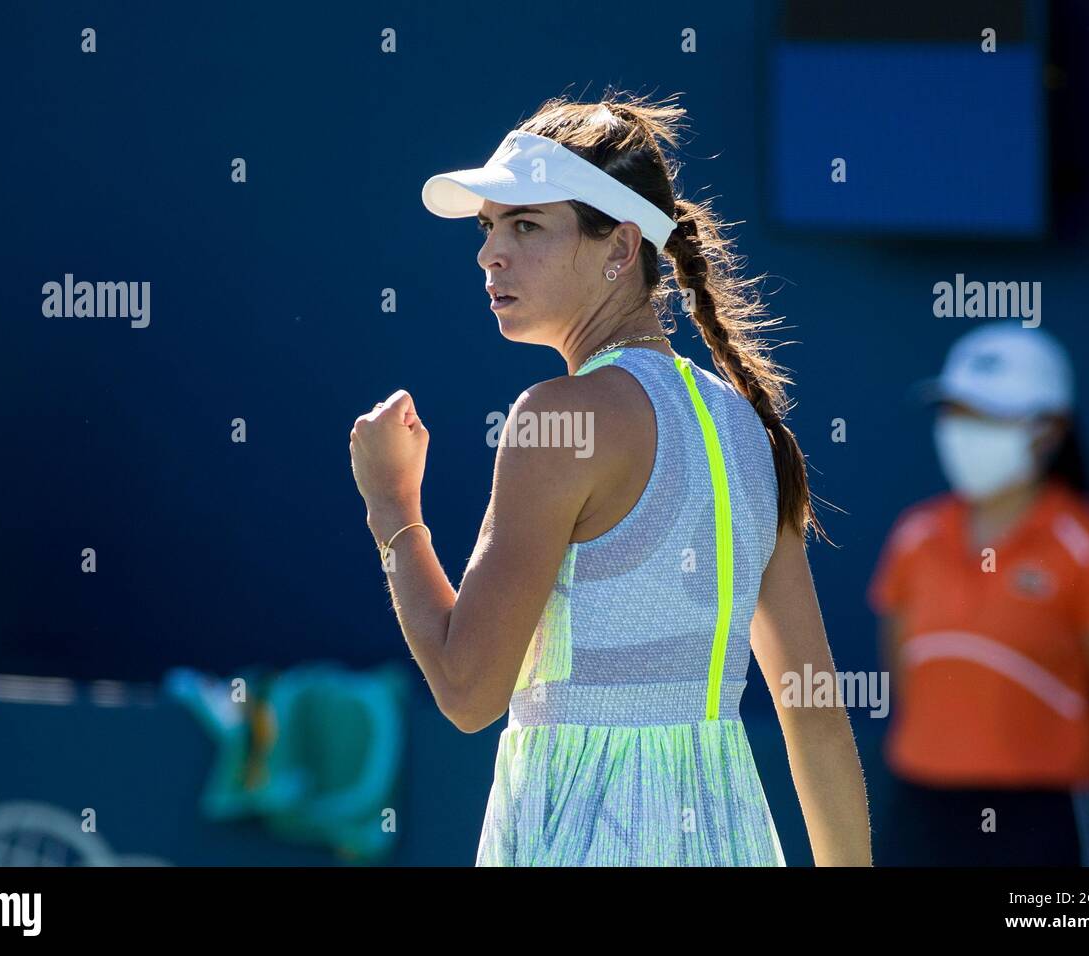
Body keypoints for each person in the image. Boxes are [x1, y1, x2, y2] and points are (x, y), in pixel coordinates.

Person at [349, 91, 871, 866]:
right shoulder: (747, 430)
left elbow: (467, 691)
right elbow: (816, 713)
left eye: (526, 225)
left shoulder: (557, 419)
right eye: (491, 225)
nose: (489, 252)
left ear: (620, 249)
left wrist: (391, 506)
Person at [868, 322, 1089, 866]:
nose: (962, 429)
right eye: (955, 410)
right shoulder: (914, 536)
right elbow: (905, 675)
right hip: (921, 808)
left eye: (986, 413)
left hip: (1043, 818)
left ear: (1048, 429)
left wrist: (1058, 769)